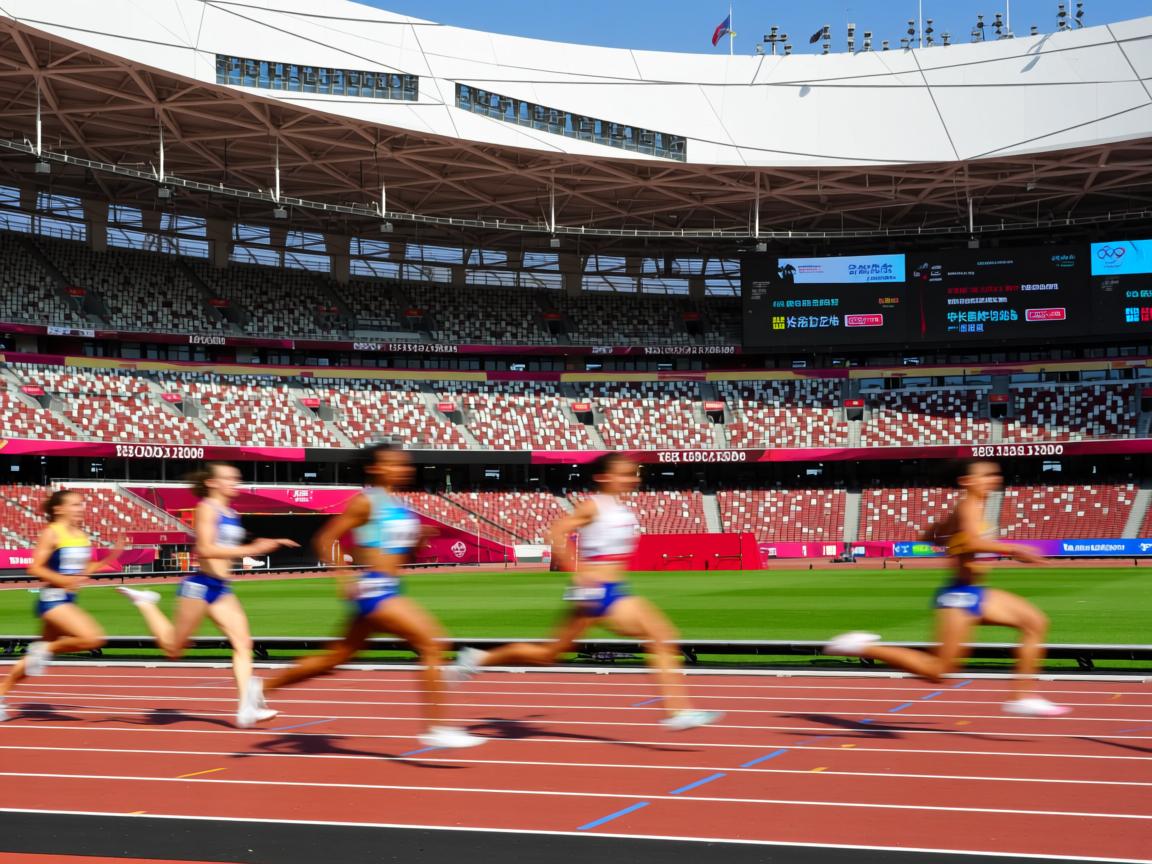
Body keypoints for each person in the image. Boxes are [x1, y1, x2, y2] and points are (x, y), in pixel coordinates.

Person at [448, 452, 723, 731]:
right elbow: (555, 533)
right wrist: (579, 575)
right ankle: (677, 711)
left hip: (615, 590)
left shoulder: (620, 508)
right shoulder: (593, 506)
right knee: (660, 636)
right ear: (604, 477)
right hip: (597, 591)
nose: (633, 478)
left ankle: (477, 658)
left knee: (549, 654)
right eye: (625, 473)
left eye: (633, 473)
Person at [252, 443, 483, 749]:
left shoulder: (395, 504)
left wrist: (417, 542)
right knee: (431, 643)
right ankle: (436, 727)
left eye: (404, 464)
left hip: (389, 587)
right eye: (395, 464)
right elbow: (326, 538)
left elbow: (395, 554)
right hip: (375, 588)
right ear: (376, 468)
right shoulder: (366, 502)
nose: (404, 468)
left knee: (335, 659)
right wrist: (343, 575)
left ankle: (262, 687)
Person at [826, 459, 1070, 717]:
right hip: (959, 597)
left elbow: (934, 534)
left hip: (976, 592)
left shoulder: (973, 507)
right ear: (967, 481)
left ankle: (1021, 697)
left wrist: (941, 534)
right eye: (986, 475)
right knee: (937, 671)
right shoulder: (968, 505)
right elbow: (974, 541)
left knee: (1035, 622)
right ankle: (860, 647)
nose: (993, 479)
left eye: (994, 475)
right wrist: (1014, 549)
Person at [116, 462, 298, 727]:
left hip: (221, 588)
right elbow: (206, 550)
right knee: (173, 649)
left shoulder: (232, 512)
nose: (236, 482)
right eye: (229, 478)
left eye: (237, 477)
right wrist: (252, 548)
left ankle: (247, 707)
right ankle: (146, 602)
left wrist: (253, 547)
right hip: (199, 587)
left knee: (243, 643)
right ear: (212, 483)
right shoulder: (206, 509)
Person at [0, 489, 125, 721]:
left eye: (82, 504)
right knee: (93, 638)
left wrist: (110, 558)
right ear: (59, 509)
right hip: (52, 599)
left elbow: (83, 571)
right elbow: (35, 568)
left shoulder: (81, 535)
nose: (82, 508)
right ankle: (44, 649)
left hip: (67, 599)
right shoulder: (51, 534)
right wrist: (64, 580)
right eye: (76, 504)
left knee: (34, 660)